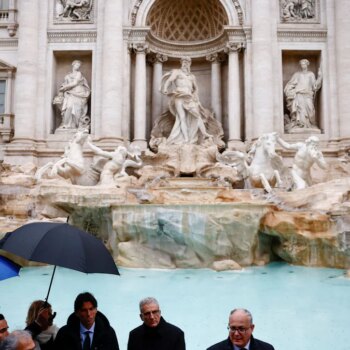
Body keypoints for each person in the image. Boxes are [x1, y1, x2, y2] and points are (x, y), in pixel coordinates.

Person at [160, 57, 212, 145]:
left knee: (197, 115)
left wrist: (196, 96)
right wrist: (165, 88)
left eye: (187, 62)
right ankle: (186, 139)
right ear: (181, 63)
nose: (185, 63)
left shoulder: (192, 76)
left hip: (189, 97)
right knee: (181, 118)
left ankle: (204, 133)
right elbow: (169, 80)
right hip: (179, 96)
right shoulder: (177, 72)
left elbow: (195, 88)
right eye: (184, 62)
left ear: (190, 64)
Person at [53, 292, 119, 350]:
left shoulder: (109, 333)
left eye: (91, 309)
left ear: (96, 310)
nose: (88, 314)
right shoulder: (64, 334)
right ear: (77, 313)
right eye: (84, 310)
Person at [207, 308, 274, 350]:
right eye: (233, 328)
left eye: (241, 329)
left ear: (252, 328)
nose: (236, 334)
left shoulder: (267, 348)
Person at [284, 59, 322, 131]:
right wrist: (291, 91)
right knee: (300, 110)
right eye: (301, 64)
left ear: (307, 64)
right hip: (299, 94)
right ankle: (301, 125)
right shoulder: (297, 74)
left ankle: (310, 125)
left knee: (310, 110)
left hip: (308, 94)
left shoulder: (311, 74)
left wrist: (319, 77)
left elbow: (315, 85)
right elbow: (290, 84)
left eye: (304, 64)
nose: (303, 65)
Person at [55, 60, 90, 130]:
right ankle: (66, 124)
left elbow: (75, 83)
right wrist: (62, 89)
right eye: (76, 65)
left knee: (76, 109)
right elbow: (64, 84)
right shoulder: (67, 76)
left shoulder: (79, 73)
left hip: (79, 93)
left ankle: (74, 125)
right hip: (70, 93)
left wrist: (65, 87)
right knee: (69, 107)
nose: (78, 67)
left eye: (79, 66)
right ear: (73, 65)